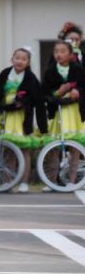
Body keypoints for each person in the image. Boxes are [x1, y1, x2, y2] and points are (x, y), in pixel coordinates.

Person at [0, 47, 47, 193]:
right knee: (8, 149)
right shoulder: (5, 73)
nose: (20, 61)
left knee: (24, 149)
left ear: (28, 62)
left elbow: (38, 100)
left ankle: (24, 182)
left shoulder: (31, 78)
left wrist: (42, 125)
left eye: (23, 59)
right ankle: (9, 182)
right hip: (5, 114)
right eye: (17, 58)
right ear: (12, 59)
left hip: (21, 116)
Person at [42, 41, 85, 188]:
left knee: (75, 147)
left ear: (71, 54)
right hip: (58, 112)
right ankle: (51, 180)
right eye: (56, 51)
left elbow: (83, 86)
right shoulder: (50, 71)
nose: (58, 54)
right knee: (54, 147)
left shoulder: (78, 69)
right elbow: (45, 94)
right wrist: (58, 93)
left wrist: (78, 91)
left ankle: (72, 181)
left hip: (74, 112)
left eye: (62, 51)